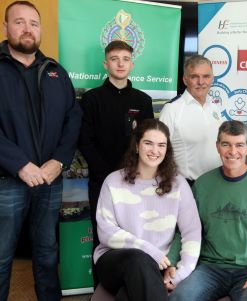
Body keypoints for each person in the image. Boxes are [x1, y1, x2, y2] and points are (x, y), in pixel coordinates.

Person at [0, 1, 82, 300]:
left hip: (49, 181)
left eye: (34, 23)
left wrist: (58, 161)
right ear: (5, 26)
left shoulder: (56, 73)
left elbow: (73, 119)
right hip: (7, 180)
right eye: (19, 22)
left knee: (47, 252)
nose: (27, 29)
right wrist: (20, 164)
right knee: (1, 256)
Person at [169, 120, 247, 301]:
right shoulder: (202, 185)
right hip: (210, 268)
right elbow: (185, 230)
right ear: (217, 146)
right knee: (180, 297)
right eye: (226, 144)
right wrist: (171, 261)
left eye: (239, 145)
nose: (233, 152)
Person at [94, 119, 201, 301]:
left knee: (127, 296)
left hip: (157, 266)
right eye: (148, 143)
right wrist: (149, 250)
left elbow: (192, 232)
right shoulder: (113, 181)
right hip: (114, 261)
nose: (155, 151)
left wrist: (180, 273)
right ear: (136, 146)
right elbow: (106, 232)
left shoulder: (179, 185)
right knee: (138, 259)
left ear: (167, 150)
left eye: (161, 145)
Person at [78, 39, 154, 279]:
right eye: (114, 59)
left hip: (136, 181)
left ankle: (136, 286)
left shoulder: (143, 100)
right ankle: (101, 288)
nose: (120, 64)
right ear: (105, 63)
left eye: (125, 59)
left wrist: (132, 173)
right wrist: (110, 175)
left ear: (132, 64)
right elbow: (85, 141)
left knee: (137, 236)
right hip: (101, 181)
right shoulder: (91, 100)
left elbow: (148, 141)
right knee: (103, 238)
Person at [159, 55, 221, 186]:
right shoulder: (172, 109)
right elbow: (160, 152)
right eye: (194, 77)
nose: (201, 82)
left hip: (217, 184)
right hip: (188, 187)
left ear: (212, 78)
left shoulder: (214, 106)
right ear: (185, 80)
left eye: (206, 76)